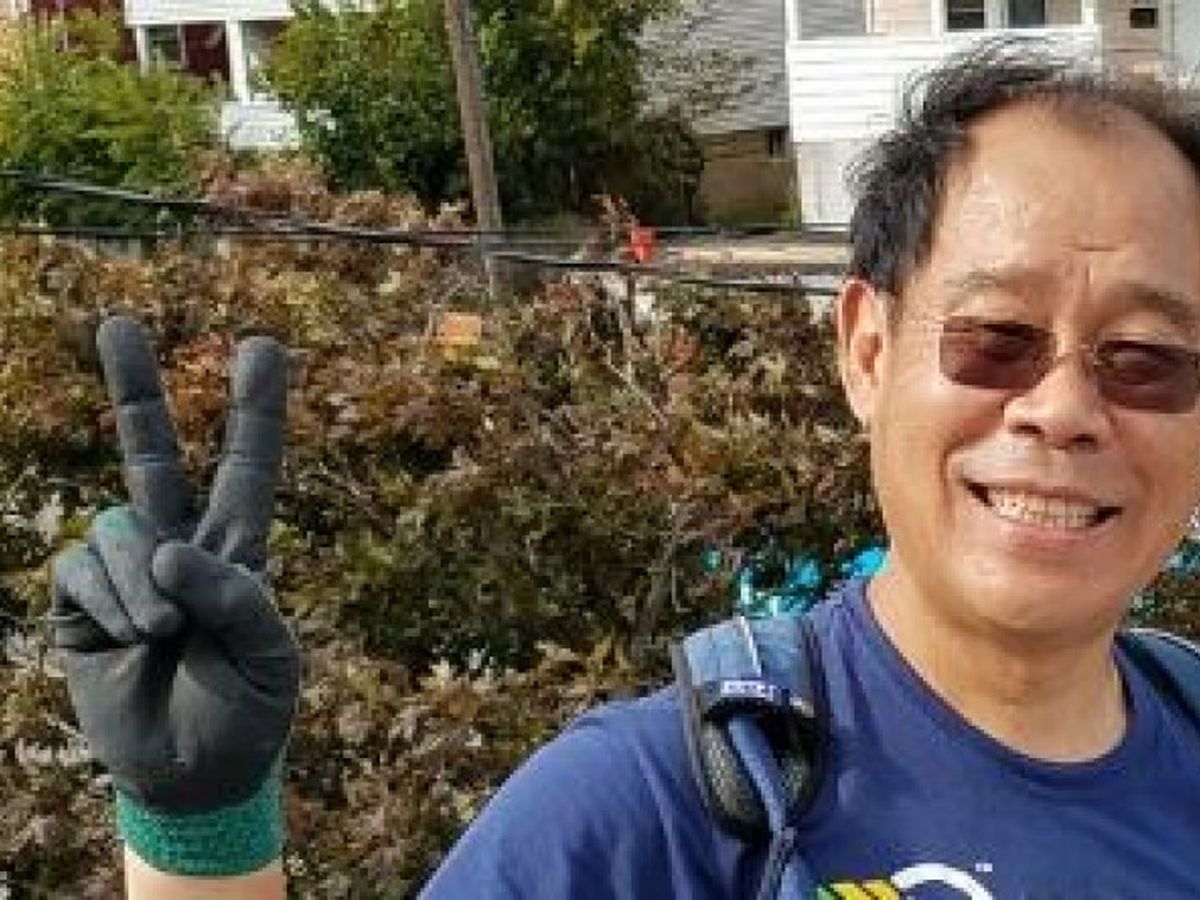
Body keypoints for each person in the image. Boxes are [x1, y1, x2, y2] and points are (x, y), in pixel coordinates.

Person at [50, 39, 1200, 897]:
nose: (1064, 410)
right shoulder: (647, 812)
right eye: (995, 337)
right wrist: (199, 835)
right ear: (866, 351)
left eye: (1147, 358)